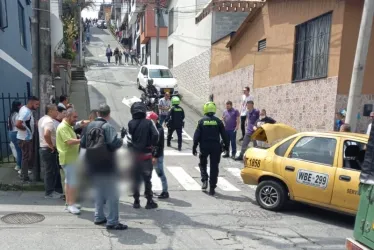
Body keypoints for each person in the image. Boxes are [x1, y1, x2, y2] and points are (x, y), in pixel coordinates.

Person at [81, 104, 127, 230]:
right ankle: (112, 221)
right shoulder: (107, 126)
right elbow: (114, 145)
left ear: (98, 114)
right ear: (108, 114)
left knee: (99, 191)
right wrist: (121, 139)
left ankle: (99, 216)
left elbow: (82, 144)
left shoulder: (89, 126)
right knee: (112, 193)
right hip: (107, 165)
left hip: (92, 164)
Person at [127, 102, 159, 209]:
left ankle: (136, 201)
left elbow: (128, 139)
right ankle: (149, 201)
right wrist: (151, 144)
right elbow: (156, 135)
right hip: (146, 155)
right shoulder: (149, 123)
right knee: (147, 179)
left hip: (135, 156)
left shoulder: (130, 123)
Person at [193, 102, 229, 196]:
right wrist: (227, 147)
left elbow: (196, 136)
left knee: (202, 164)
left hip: (204, 147)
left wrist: (194, 146)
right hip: (215, 148)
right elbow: (225, 136)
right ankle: (212, 188)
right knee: (214, 167)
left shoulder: (201, 121)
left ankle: (204, 180)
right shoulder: (218, 121)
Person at [56, 108, 81, 214]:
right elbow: (69, 142)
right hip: (68, 159)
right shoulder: (63, 127)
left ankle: (69, 203)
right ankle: (71, 204)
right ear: (68, 116)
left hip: (70, 158)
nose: (76, 119)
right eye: (74, 117)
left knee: (68, 182)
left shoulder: (67, 126)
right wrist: (82, 140)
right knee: (72, 182)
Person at [38, 104, 63, 199]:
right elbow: (46, 134)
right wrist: (51, 145)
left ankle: (53, 190)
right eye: (56, 110)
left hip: (44, 149)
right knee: (50, 171)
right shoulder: (49, 121)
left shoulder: (42, 119)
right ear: (50, 111)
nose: (58, 112)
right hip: (48, 149)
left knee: (53, 170)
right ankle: (49, 192)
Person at [16, 96, 40, 182]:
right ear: (31, 102)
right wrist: (26, 130)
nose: (37, 106)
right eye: (36, 104)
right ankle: (24, 177)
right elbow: (18, 124)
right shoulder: (25, 112)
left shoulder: (25, 109)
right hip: (25, 139)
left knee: (27, 156)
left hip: (26, 138)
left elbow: (27, 122)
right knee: (26, 157)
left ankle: (24, 174)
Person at [148, 112, 169, 199]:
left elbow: (159, 145)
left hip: (157, 156)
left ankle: (165, 192)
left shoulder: (159, 130)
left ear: (154, 120)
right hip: (152, 155)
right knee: (149, 173)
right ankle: (149, 190)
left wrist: (154, 157)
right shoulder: (152, 128)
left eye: (149, 120)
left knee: (160, 173)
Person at [7, 100, 22, 171]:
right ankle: (19, 165)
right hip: (16, 133)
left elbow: (8, 125)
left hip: (11, 132)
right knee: (20, 150)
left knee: (17, 149)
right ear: (17, 106)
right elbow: (18, 124)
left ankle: (18, 165)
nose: (21, 107)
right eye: (20, 105)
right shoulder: (17, 115)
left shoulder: (10, 115)